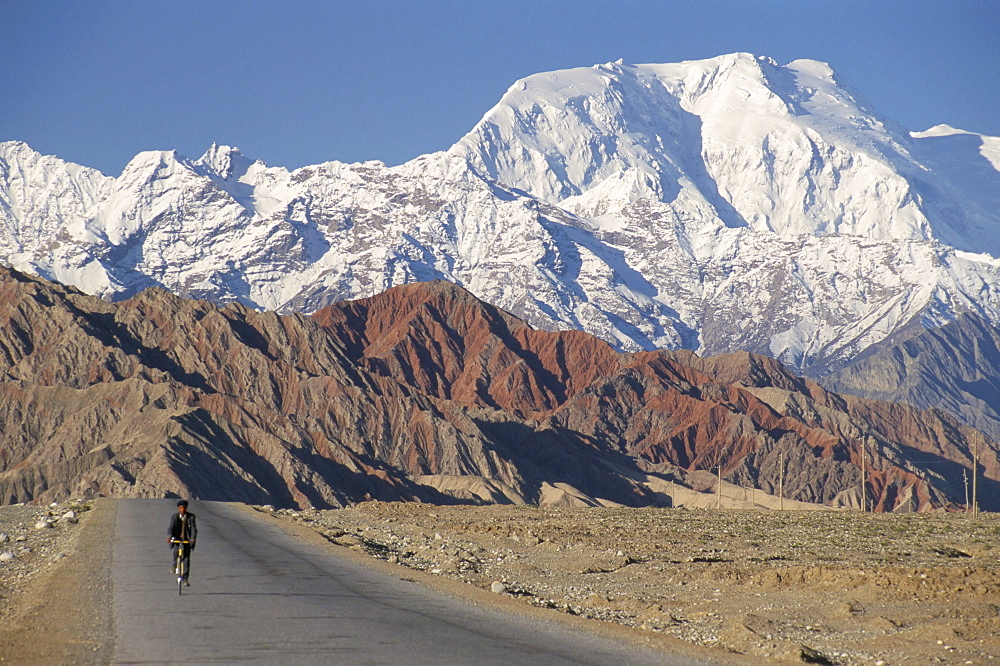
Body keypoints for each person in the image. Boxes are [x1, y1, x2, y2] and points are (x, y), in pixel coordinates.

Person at [168, 500, 197, 585]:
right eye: (181, 507)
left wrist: (193, 538)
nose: (183, 509)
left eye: (184, 507)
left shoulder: (191, 517)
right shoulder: (174, 517)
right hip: (177, 539)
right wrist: (170, 536)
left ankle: (185, 579)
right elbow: (171, 528)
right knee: (175, 553)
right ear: (178, 508)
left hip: (187, 541)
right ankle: (174, 565)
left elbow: (193, 529)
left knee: (186, 560)